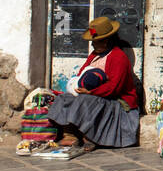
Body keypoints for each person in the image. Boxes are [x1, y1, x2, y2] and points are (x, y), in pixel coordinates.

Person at [44, 16, 140, 148]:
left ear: (106, 41)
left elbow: (114, 88)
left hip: (115, 101)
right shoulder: (94, 55)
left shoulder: (118, 57)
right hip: (93, 94)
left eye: (95, 42)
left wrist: (91, 92)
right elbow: (81, 74)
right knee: (65, 98)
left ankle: (89, 137)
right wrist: (76, 86)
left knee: (86, 100)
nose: (92, 44)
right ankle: (70, 134)